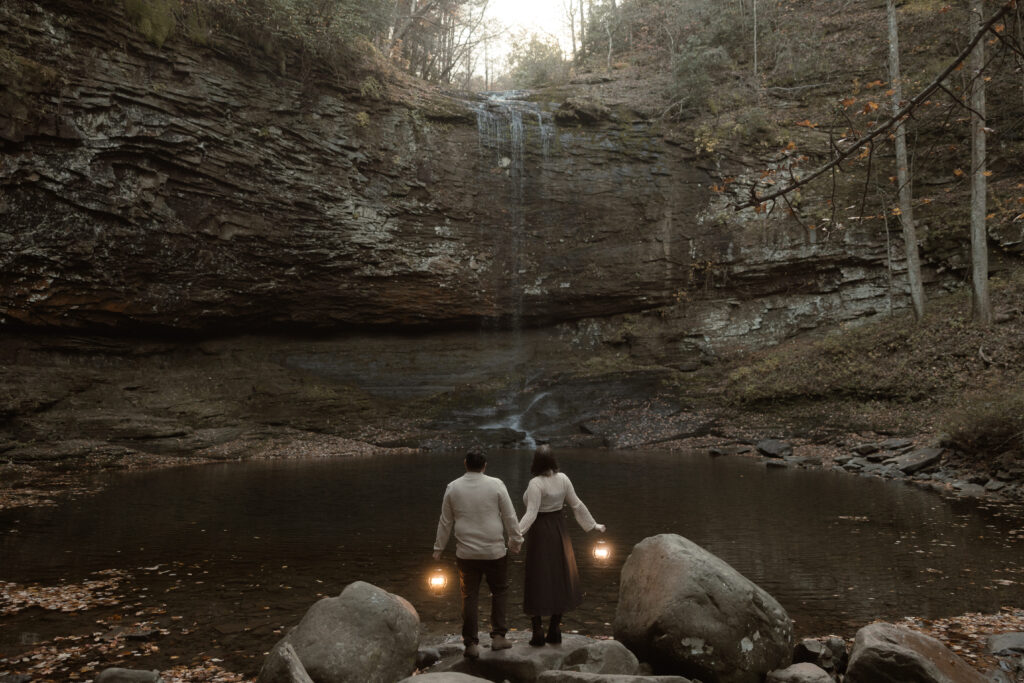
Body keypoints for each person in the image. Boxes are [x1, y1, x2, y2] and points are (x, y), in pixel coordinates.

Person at [433, 451, 524, 659]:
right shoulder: (496, 484)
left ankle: (471, 644)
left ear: (465, 464)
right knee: (499, 591)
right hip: (494, 550)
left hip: (466, 552)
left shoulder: (453, 487)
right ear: (485, 465)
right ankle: (499, 637)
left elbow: (445, 521)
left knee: (469, 596)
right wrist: (515, 541)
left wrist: (439, 548)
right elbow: (510, 515)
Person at [518, 445, 606, 647]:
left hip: (540, 531)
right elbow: (576, 504)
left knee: (537, 576)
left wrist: (515, 535)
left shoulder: (535, 484)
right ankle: (555, 629)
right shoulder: (563, 479)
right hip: (559, 529)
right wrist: (593, 525)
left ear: (536, 463)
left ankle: (538, 631)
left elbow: (531, 514)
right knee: (560, 575)